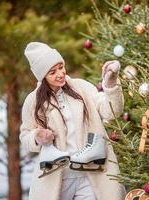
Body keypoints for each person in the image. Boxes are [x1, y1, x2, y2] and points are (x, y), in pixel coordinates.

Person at [19, 41, 126, 200]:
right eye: (53, 72)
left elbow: (110, 112)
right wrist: (37, 135)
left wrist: (110, 85)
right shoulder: (33, 101)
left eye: (61, 67)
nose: (60, 74)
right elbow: (25, 136)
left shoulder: (80, 88)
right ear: (43, 76)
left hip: (89, 174)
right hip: (57, 178)